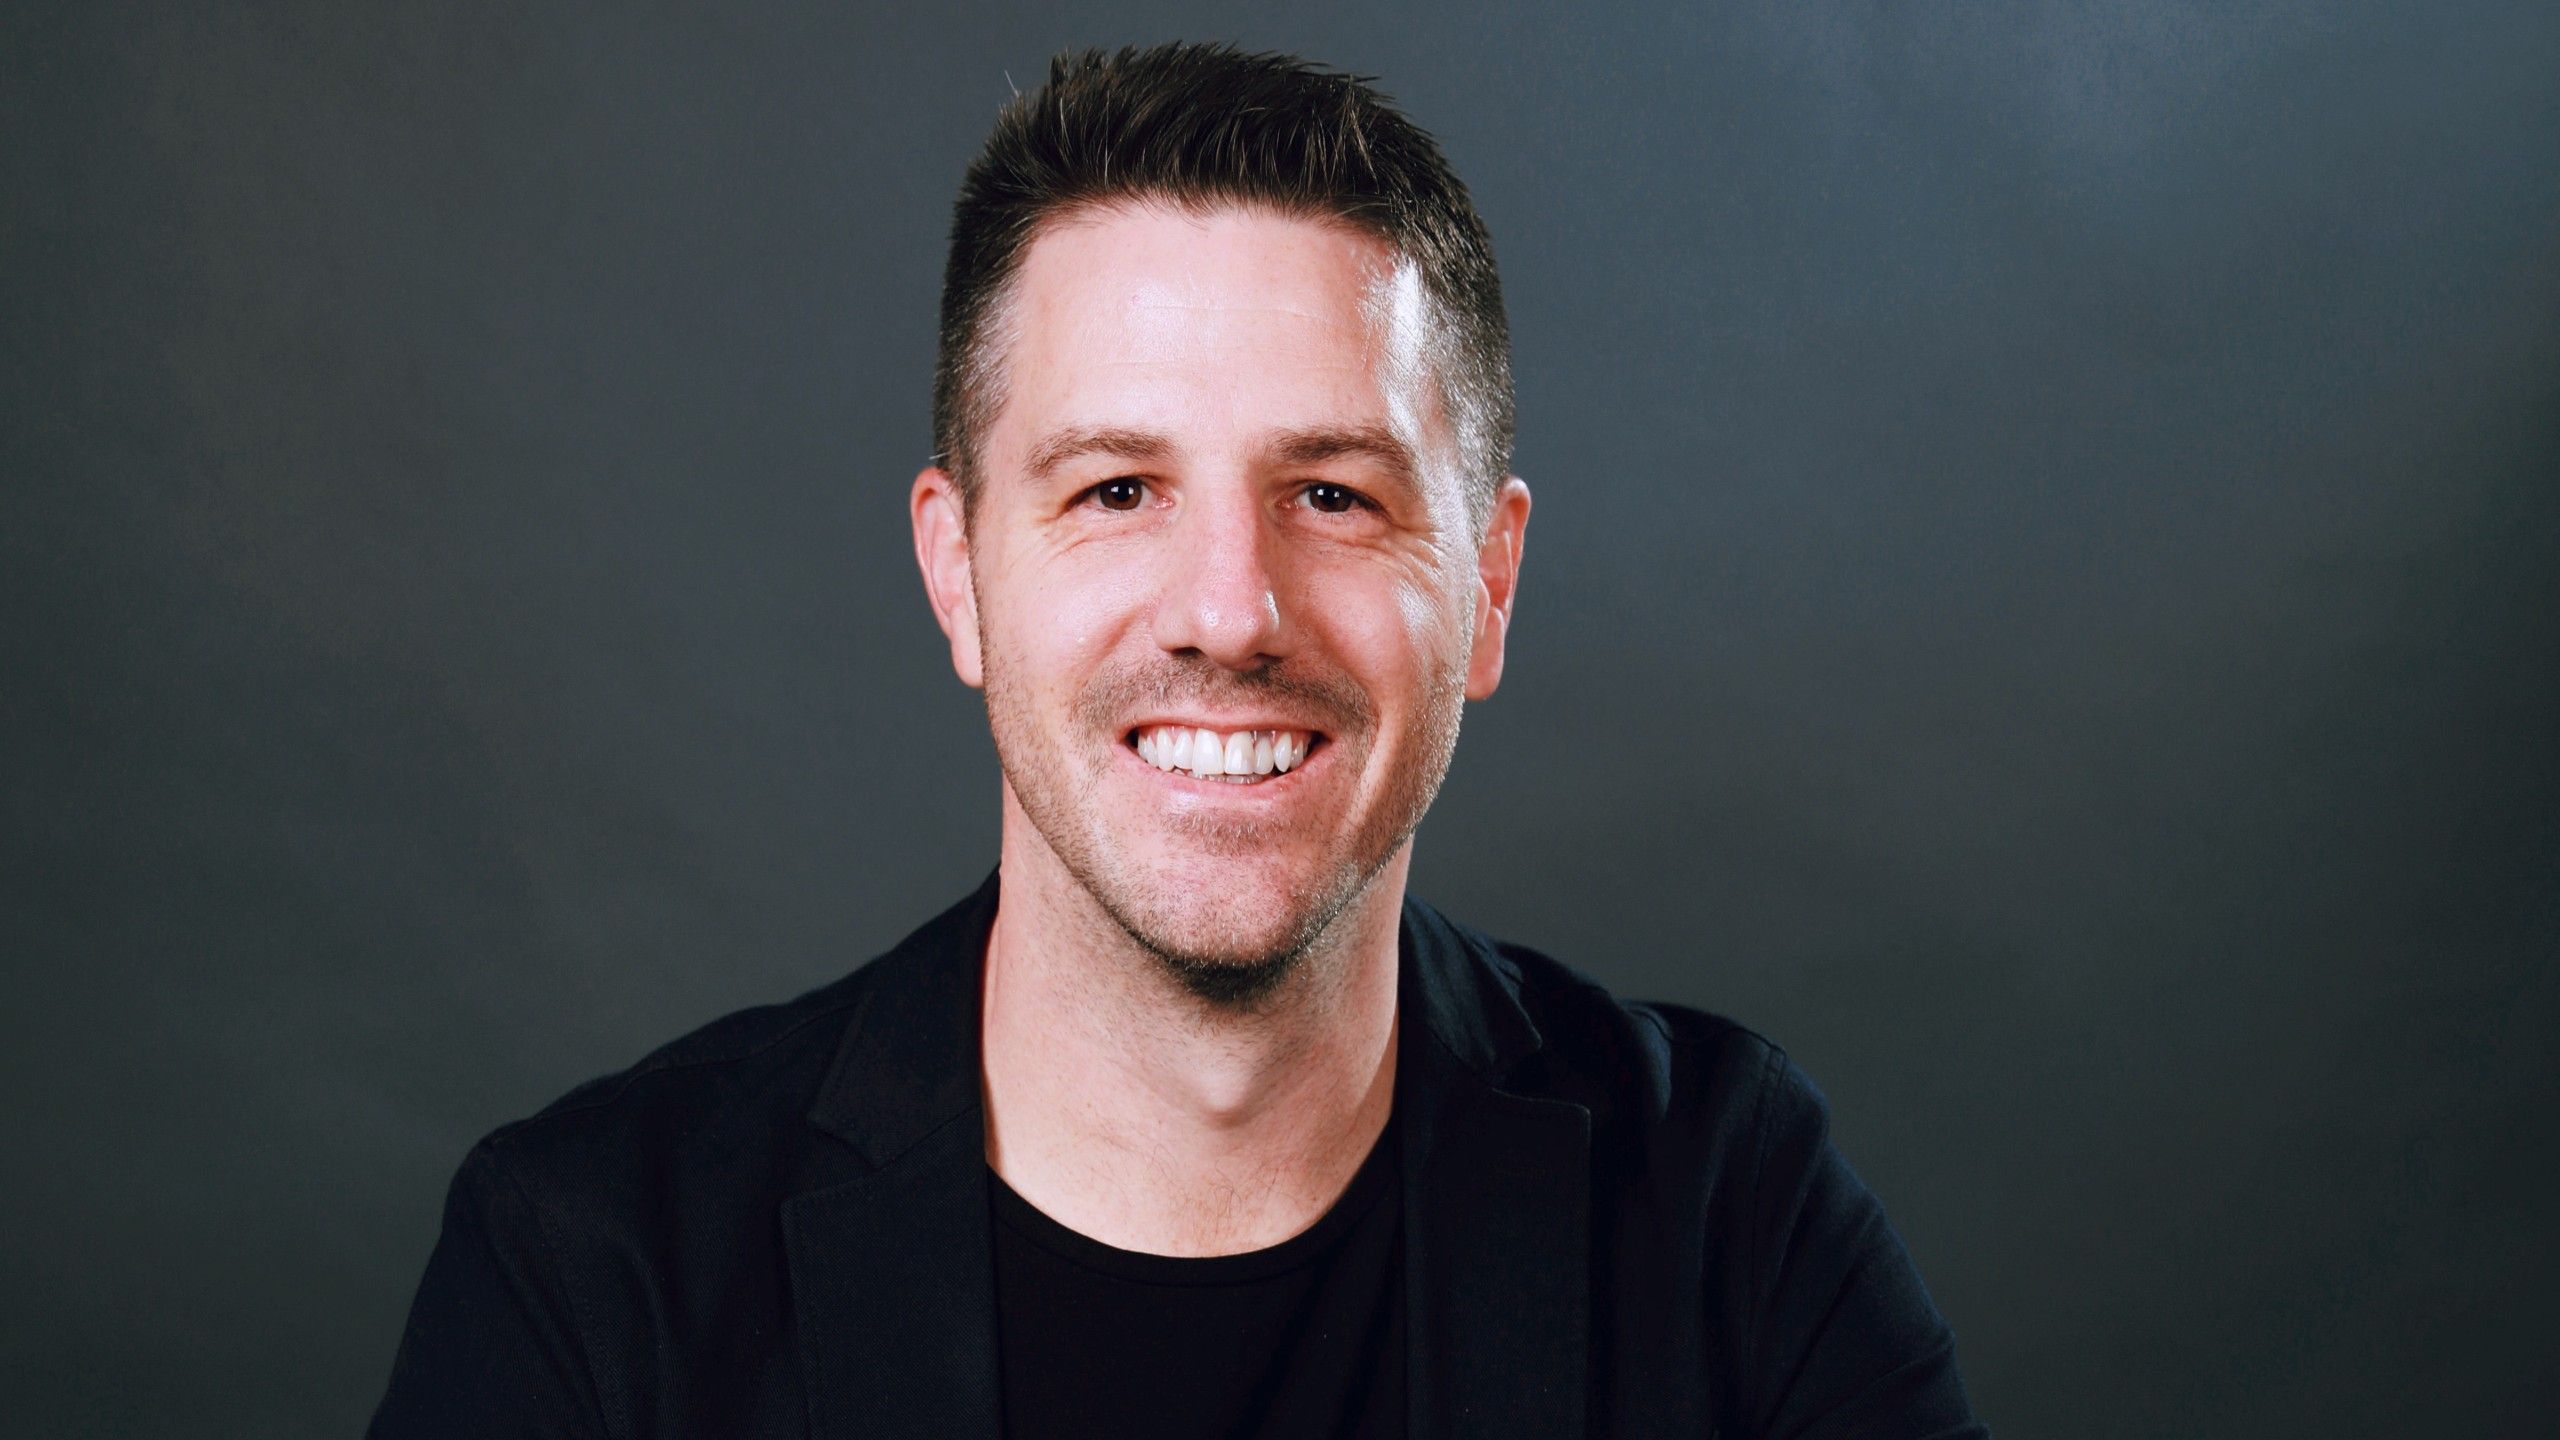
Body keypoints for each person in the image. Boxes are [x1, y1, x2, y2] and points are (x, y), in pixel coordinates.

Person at [371, 42, 1988, 1440]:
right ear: (960, 572)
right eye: (1118, 490)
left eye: (1335, 495)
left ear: (1487, 587)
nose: (1230, 610)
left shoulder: (1726, 1219)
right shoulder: (596, 1271)